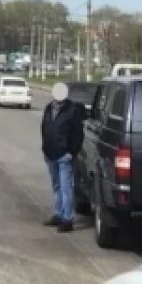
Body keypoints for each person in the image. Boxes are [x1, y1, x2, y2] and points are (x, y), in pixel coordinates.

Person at [41, 82, 84, 233]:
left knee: (66, 188)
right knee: (56, 186)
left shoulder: (72, 110)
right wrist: (44, 148)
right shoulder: (48, 108)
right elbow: (44, 128)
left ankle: (68, 219)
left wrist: (71, 152)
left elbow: (78, 134)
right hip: (50, 154)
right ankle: (59, 214)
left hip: (64, 156)